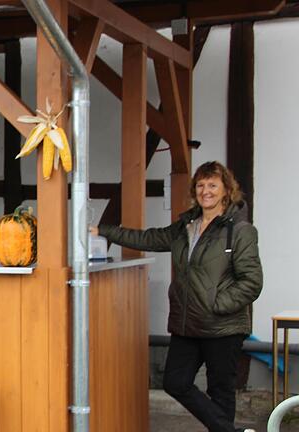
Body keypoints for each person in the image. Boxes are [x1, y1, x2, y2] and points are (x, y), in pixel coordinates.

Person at [92, 161, 262, 432]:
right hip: (188, 324)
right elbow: (148, 238)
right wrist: (104, 231)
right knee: (175, 381)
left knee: (222, 392)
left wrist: (216, 304)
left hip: (222, 326)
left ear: (226, 191)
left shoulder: (239, 231)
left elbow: (252, 282)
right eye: (201, 185)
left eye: (212, 185)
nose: (206, 190)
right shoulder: (186, 227)